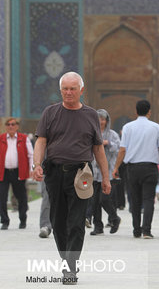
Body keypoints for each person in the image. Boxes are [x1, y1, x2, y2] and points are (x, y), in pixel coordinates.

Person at [32, 71, 110, 284]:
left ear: (81, 90)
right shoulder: (50, 113)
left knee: (76, 223)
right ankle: (67, 261)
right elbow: (41, 141)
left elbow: (98, 148)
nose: (68, 92)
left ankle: (70, 269)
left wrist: (106, 177)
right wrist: (37, 164)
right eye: (65, 89)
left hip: (81, 174)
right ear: (60, 90)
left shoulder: (91, 115)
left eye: (72, 89)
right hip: (55, 173)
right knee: (58, 222)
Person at [113, 100, 159, 239]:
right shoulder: (156, 127)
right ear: (149, 111)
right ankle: (146, 231)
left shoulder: (127, 127)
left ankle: (136, 230)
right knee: (149, 199)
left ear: (135, 112)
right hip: (150, 167)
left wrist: (116, 167)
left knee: (135, 200)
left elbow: (122, 149)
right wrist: (153, 153)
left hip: (133, 168)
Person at [90, 109, 121, 236]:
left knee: (104, 199)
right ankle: (98, 227)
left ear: (107, 121)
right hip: (94, 171)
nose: (100, 122)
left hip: (107, 172)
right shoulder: (91, 133)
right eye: (98, 119)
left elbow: (118, 149)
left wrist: (107, 143)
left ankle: (114, 218)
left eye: (103, 119)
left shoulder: (113, 134)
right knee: (94, 201)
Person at [0, 118, 33, 230]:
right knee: (2, 197)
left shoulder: (24, 139)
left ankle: (22, 219)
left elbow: (30, 154)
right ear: (5, 126)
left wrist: (32, 168)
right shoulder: (1, 138)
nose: (10, 126)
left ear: (17, 126)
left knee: (21, 197)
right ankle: (4, 221)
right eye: (8, 124)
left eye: (13, 124)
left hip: (18, 172)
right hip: (3, 172)